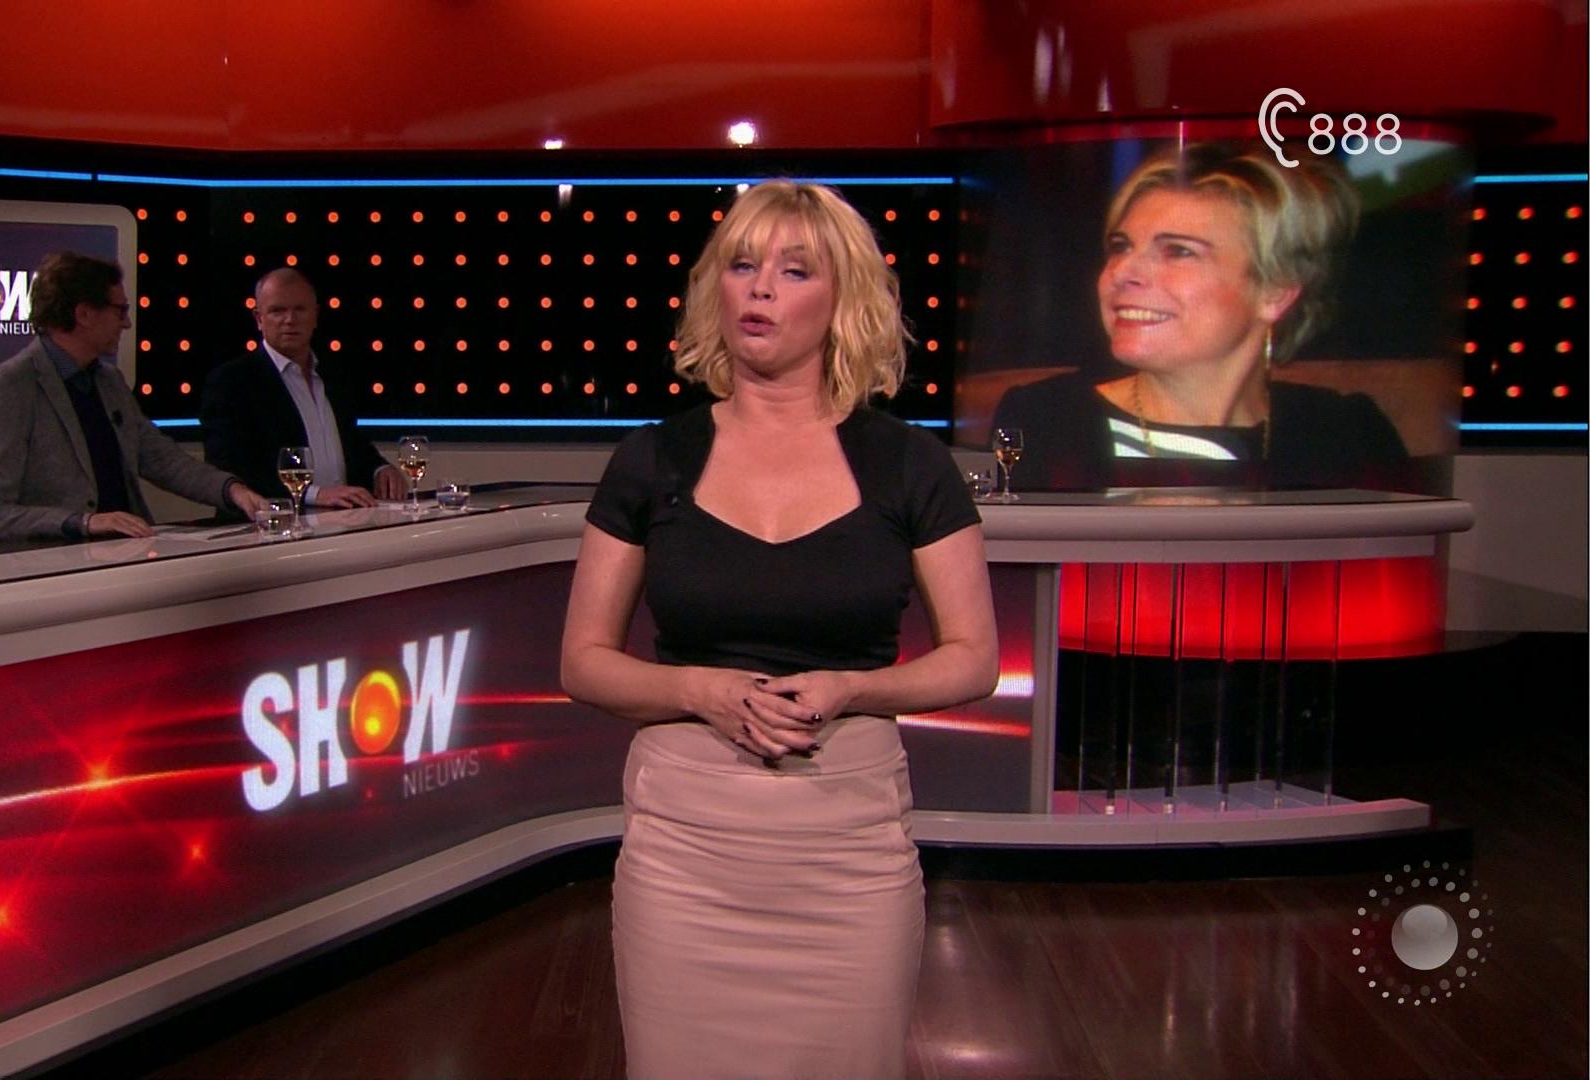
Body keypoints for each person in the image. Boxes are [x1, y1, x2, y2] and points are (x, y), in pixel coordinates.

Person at [560, 181, 999, 1078]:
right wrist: (699, 690)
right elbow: (583, 662)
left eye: (796, 271)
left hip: (847, 856)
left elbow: (974, 658)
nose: (760, 288)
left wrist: (854, 688)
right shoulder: (651, 459)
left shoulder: (909, 463)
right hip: (685, 857)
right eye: (742, 265)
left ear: (843, 300)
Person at [991, 143, 1408, 491]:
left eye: (1178, 251)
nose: (1122, 272)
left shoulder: (1348, 434)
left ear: (1275, 291)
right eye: (1120, 247)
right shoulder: (1042, 421)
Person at [0, 252, 267, 541]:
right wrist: (82, 523)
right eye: (120, 311)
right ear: (84, 314)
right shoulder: (10, 386)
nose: (127, 323)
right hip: (55, 568)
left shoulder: (109, 381)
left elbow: (162, 459)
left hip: (128, 557)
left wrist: (232, 490)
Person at [199, 268, 404, 510]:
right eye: (278, 311)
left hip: (343, 522)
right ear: (258, 318)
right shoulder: (231, 382)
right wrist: (314, 494)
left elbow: (351, 444)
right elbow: (229, 468)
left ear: (315, 315)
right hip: (270, 525)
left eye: (299, 309)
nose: (290, 320)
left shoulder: (333, 373)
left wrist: (380, 468)